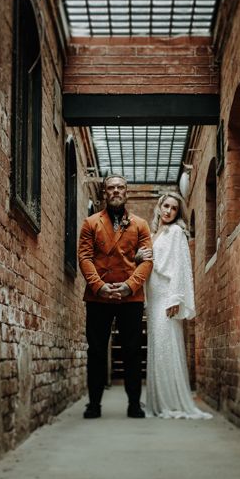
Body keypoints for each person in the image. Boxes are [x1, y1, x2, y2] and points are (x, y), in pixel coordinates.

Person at [77, 174, 154, 419]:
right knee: (97, 350)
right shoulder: (90, 223)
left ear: (126, 192)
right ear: (104, 193)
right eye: (111, 188)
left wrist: (130, 286)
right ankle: (94, 404)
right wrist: (99, 286)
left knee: (132, 351)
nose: (116, 191)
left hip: (130, 297)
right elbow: (85, 257)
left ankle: (134, 404)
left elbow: (147, 261)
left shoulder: (140, 224)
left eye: (121, 187)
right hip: (98, 297)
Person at [138, 193, 212, 420]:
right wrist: (138, 256)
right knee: (157, 348)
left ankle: (171, 401)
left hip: (167, 295)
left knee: (167, 346)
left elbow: (180, 265)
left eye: (174, 208)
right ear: (159, 207)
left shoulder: (177, 232)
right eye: (166, 206)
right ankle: (158, 401)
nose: (169, 211)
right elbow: (147, 262)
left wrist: (175, 298)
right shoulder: (153, 234)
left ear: (178, 213)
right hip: (154, 296)